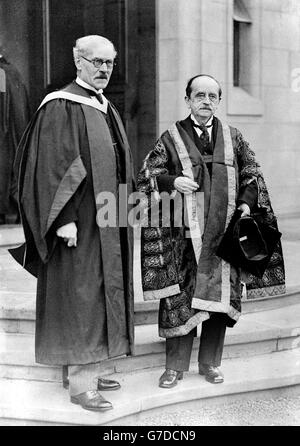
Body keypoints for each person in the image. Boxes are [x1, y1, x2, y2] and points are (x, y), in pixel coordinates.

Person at [10, 35, 135, 411]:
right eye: (96, 62)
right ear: (78, 61)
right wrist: (63, 218)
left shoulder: (103, 105)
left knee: (97, 295)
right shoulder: (61, 105)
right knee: (81, 297)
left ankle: (92, 365)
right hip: (77, 224)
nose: (104, 69)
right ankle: (81, 384)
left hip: (107, 220)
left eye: (109, 63)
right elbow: (52, 166)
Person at [136, 74, 285, 389]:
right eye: (199, 95)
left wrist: (246, 206)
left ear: (219, 101)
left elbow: (252, 173)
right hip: (183, 237)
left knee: (218, 301)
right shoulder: (170, 137)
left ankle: (210, 364)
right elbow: (149, 174)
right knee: (181, 299)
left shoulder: (234, 137)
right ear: (187, 99)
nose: (205, 101)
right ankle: (174, 367)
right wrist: (172, 182)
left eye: (212, 96)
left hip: (223, 234)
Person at [0, 43, 30, 224]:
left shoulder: (3, 74)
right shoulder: (13, 72)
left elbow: (3, 112)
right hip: (15, 132)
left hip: (5, 134)